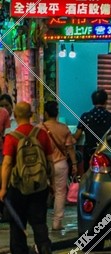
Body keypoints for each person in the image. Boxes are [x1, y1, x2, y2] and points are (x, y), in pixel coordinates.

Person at [0, 102, 53, 254]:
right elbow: (50, 161)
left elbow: (7, 164)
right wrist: (52, 183)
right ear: (31, 115)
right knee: (39, 223)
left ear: (15, 116)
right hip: (39, 186)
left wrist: (3, 188)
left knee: (17, 225)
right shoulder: (41, 134)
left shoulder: (12, 137)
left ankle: (19, 251)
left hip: (18, 188)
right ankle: (44, 247)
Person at [40, 103, 73, 235]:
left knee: (42, 192)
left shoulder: (39, 129)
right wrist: (75, 164)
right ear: (56, 114)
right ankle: (57, 223)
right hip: (60, 163)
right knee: (60, 193)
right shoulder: (64, 128)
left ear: (46, 114)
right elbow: (70, 148)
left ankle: (40, 222)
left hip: (43, 164)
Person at [73, 89, 111, 174]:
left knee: (89, 176)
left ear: (93, 101)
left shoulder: (86, 117)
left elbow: (76, 136)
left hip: (90, 152)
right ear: (106, 101)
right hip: (107, 153)